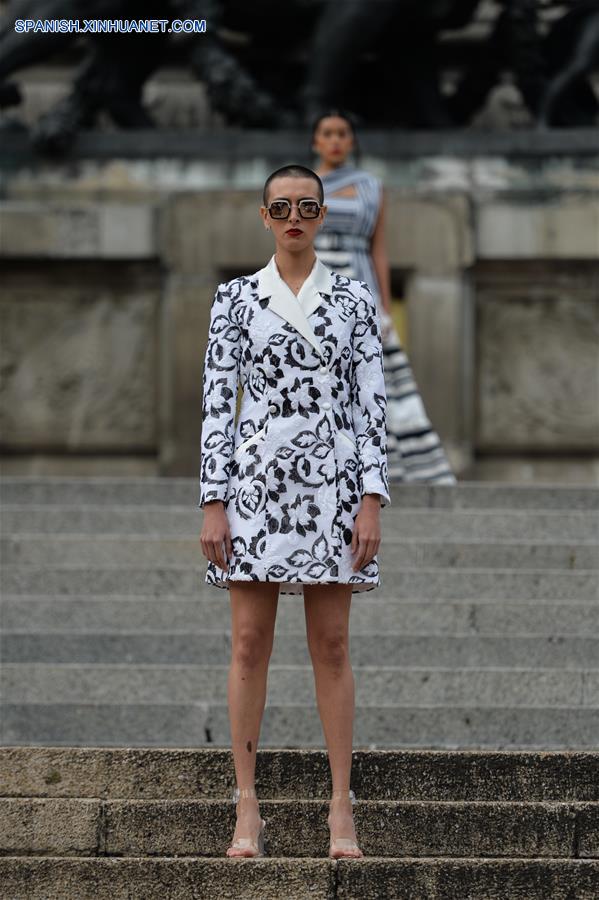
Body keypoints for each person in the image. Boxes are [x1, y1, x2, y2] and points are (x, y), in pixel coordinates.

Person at [198, 163, 391, 859]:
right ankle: (246, 806)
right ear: (264, 216)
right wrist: (213, 500)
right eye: (281, 208)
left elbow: (371, 407)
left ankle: (341, 808)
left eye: (306, 207)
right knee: (249, 644)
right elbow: (217, 404)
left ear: (322, 215)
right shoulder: (235, 298)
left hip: (332, 488)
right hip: (253, 487)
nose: (293, 219)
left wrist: (371, 498)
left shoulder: (352, 300)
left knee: (331, 645)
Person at [312, 111, 457, 484]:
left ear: (352, 141)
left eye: (342, 133)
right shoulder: (303, 187)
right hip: (315, 288)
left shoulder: (371, 187)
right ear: (315, 141)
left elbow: (379, 249)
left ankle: (385, 464)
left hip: (359, 286)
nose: (335, 140)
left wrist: (385, 306)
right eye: (328, 133)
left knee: (375, 377)